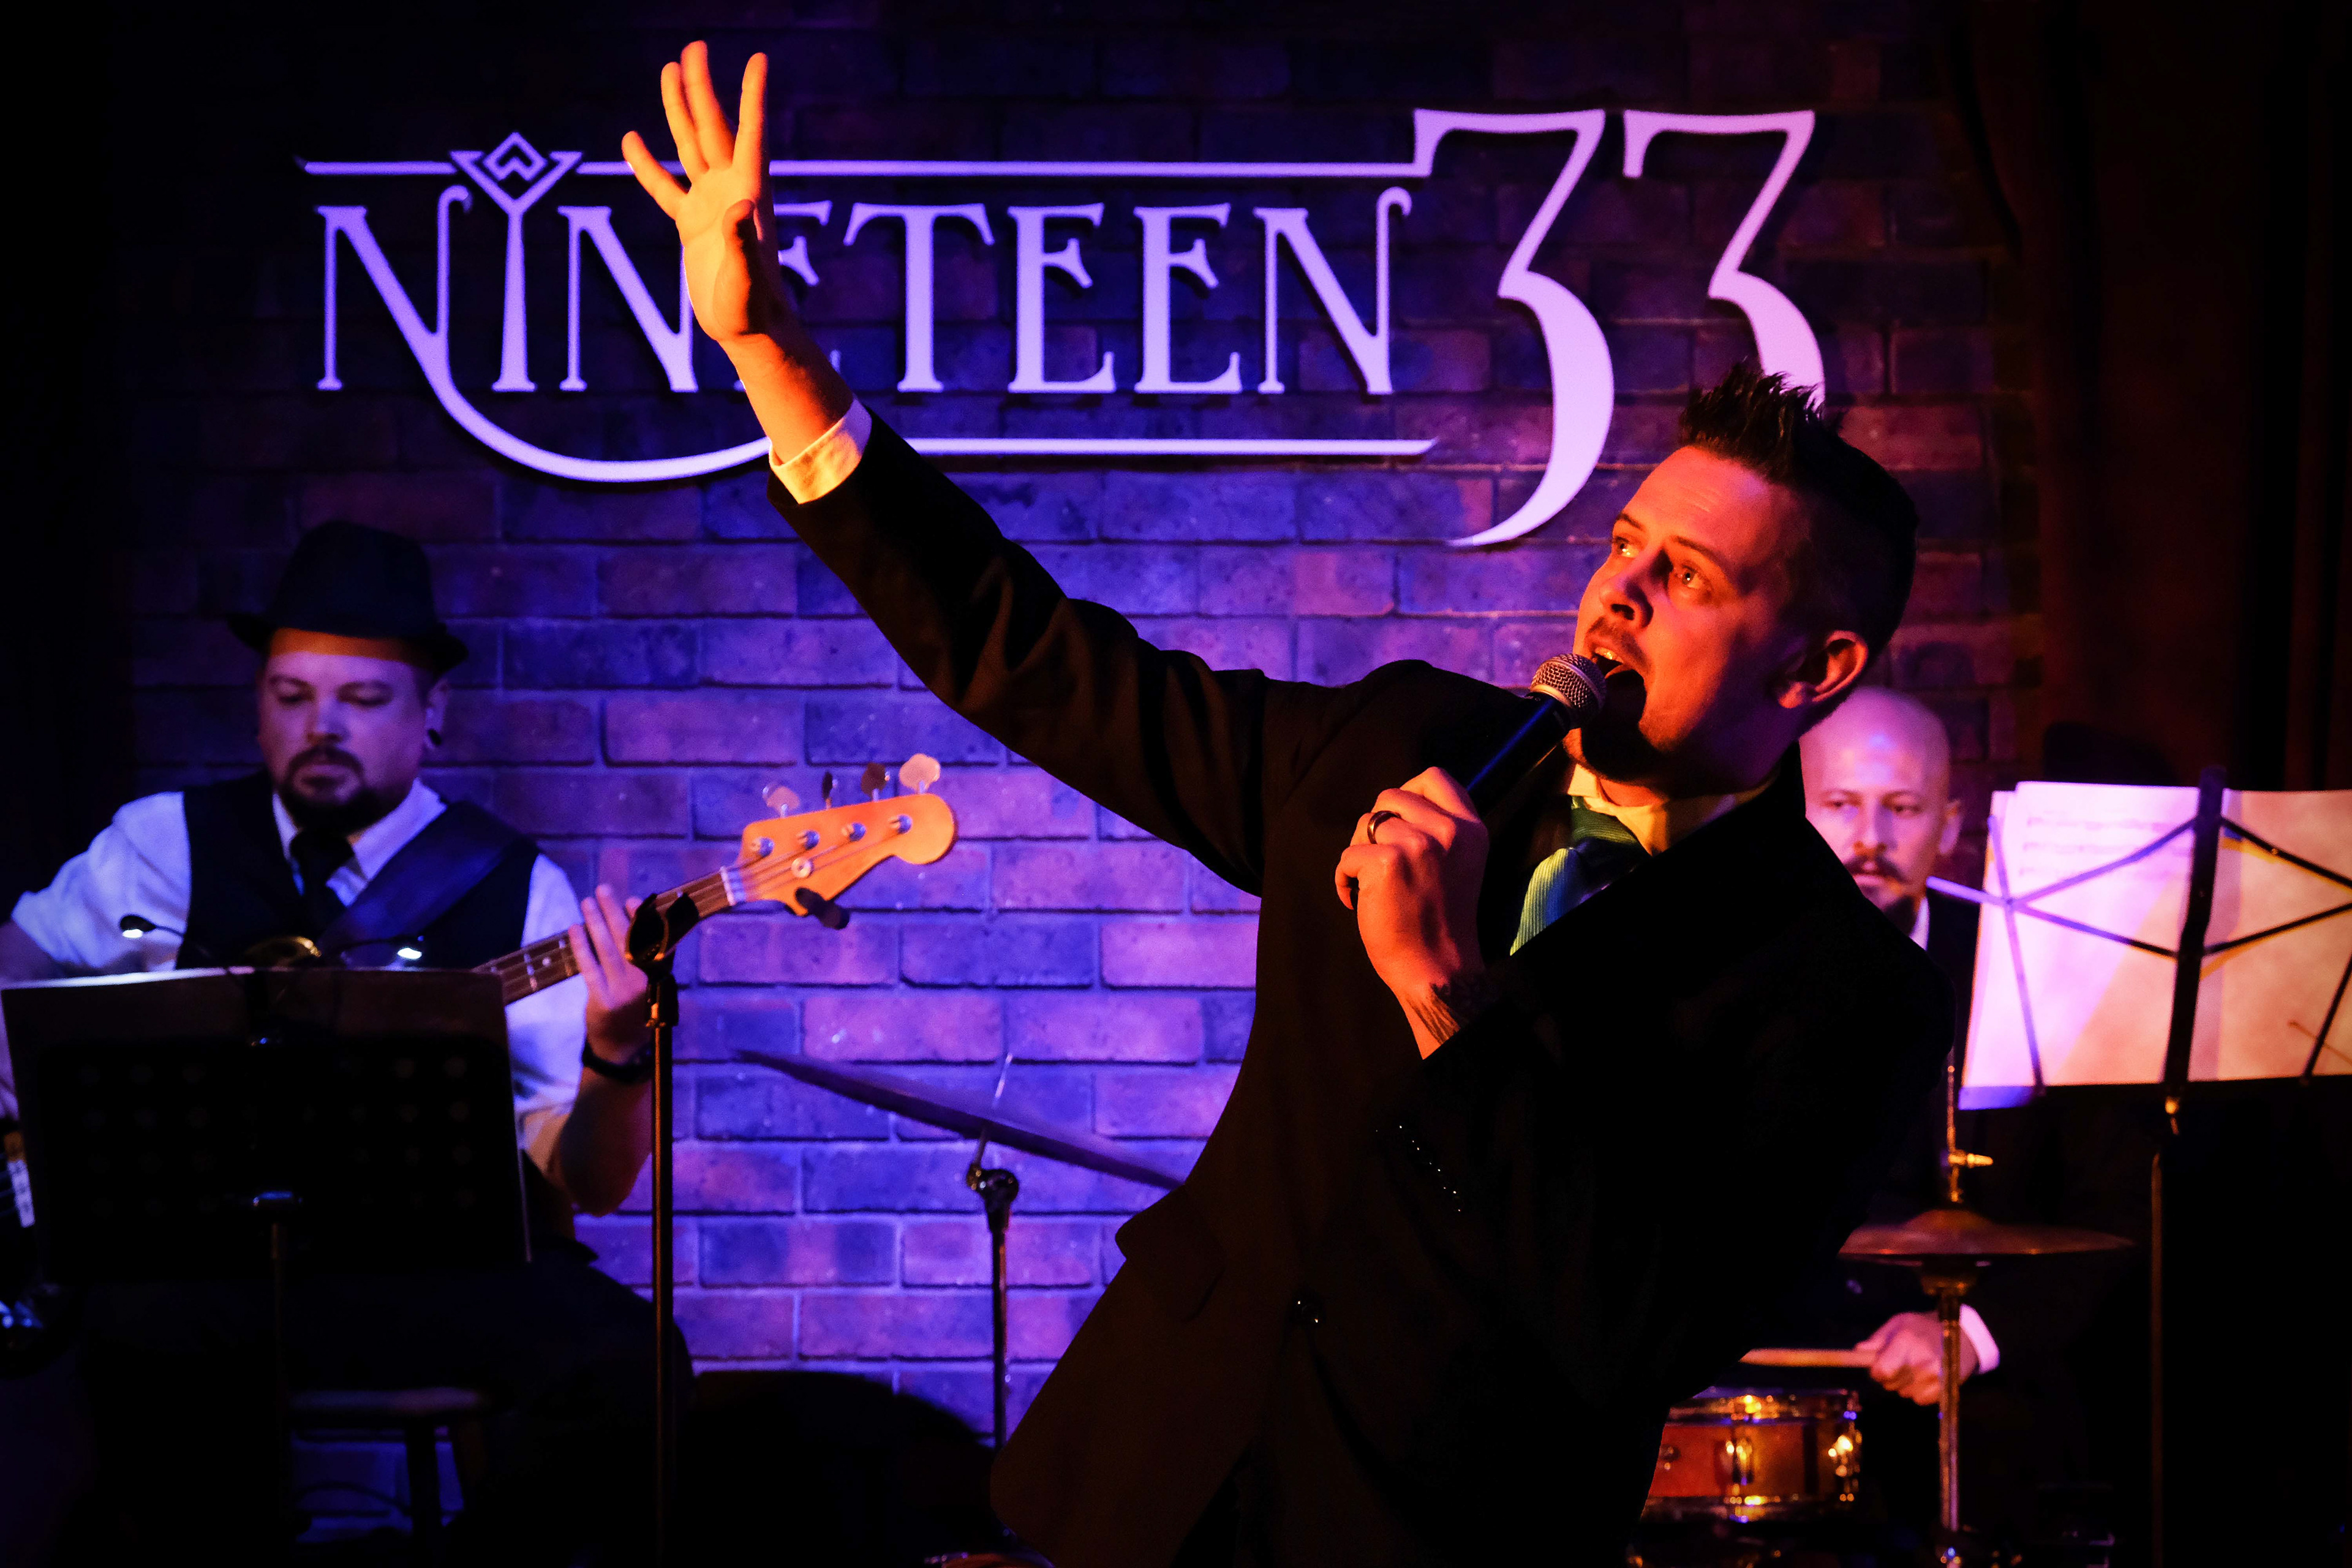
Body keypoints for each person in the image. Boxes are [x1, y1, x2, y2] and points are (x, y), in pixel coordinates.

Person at [623, 43, 1950, 1566]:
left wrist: (1447, 993)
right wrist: (771, 349)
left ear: (1814, 666)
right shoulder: (1407, 739)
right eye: (1627, 542)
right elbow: (1038, 661)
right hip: (1149, 1477)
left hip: (1434, 1537)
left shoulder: (1842, 989)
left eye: (1691, 577)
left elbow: (1640, 1322)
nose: (1622, 589)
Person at [0, 521, 668, 1563]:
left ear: (432, 713)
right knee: (118, 1351)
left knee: (630, 1364)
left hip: (429, 1276)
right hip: (202, 1270)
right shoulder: (163, 842)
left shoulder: (515, 888)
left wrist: (616, 1056)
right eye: (291, 695)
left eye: (362, 699)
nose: (322, 726)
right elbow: (18, 969)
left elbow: (591, 1182)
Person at [1792, 687, 2154, 1549]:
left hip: (1990, 1406)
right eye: (1839, 805)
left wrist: (1976, 1338)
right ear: (1795, 818)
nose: (1869, 839)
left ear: (1950, 826)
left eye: (1902, 807)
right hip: (1788, 1393)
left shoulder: (2035, 975)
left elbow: (2118, 1207)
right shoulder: (1728, 982)